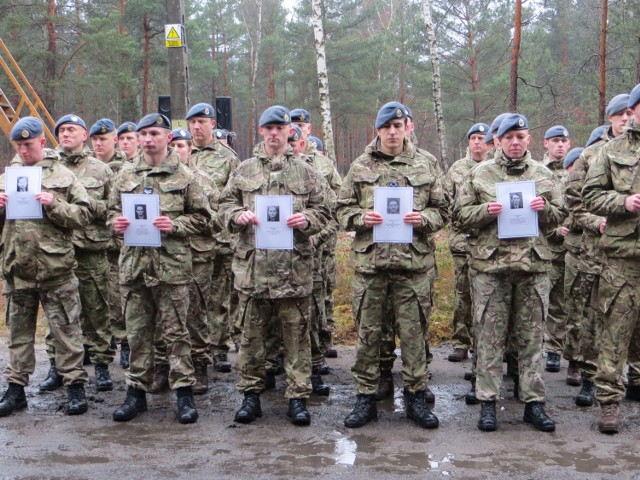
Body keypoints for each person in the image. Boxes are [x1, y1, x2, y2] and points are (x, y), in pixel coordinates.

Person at [218, 105, 332, 426]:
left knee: (296, 338)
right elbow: (224, 204)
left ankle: (297, 397)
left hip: (293, 271)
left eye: (279, 129)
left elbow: (325, 210)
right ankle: (250, 396)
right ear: (261, 132)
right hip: (254, 270)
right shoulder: (244, 170)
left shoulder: (307, 172)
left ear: (288, 132)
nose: (273, 133)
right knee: (252, 339)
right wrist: (236, 216)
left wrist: (306, 219)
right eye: (268, 128)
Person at [454, 113, 565, 432]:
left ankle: (533, 403)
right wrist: (484, 212)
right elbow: (459, 217)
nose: (515, 142)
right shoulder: (479, 174)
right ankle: (488, 403)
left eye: (520, 136)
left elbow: (561, 214)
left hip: (533, 267)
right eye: (508, 137)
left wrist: (545, 210)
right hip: (492, 268)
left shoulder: (544, 175)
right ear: (498, 141)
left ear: (529, 139)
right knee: (489, 337)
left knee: (531, 339)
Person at [338, 101, 446, 430]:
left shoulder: (426, 163)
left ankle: (415, 396)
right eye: (387, 127)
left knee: (414, 336)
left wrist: (423, 218)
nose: (393, 132)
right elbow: (341, 210)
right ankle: (366, 398)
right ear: (379, 130)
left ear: (407, 128)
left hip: (413, 266)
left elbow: (444, 210)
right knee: (369, 335)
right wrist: (361, 218)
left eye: (399, 126)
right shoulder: (360, 166)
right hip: (372, 266)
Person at [108, 113, 212, 424]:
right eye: (144, 134)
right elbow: (111, 211)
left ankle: (183, 394)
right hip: (135, 267)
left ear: (167, 137)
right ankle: (135, 394)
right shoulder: (125, 175)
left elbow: (205, 219)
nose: (149, 139)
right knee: (137, 334)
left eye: (155, 133)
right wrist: (115, 222)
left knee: (176, 333)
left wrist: (175, 224)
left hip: (171, 268)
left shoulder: (185, 176)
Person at [0, 117, 93, 417]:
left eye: (28, 144)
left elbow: (84, 215)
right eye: (18, 146)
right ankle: (16, 389)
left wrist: (54, 204)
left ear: (41, 142)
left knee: (66, 331)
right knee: (19, 333)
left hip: (56, 270)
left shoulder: (64, 176)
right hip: (18, 268)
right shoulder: (7, 178)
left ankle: (75, 387)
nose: (23, 150)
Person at [563, 94, 632, 410]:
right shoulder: (592, 155)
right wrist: (598, 222)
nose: (622, 120)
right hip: (596, 251)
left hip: (630, 253)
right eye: (617, 115)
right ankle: (591, 378)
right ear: (612, 118)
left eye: (625, 115)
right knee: (594, 319)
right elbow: (575, 202)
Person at [582, 84, 640, 434]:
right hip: (622, 259)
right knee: (614, 335)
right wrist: (624, 203)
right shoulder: (611, 150)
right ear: (632, 110)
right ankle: (608, 402)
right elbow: (590, 196)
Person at [43, 115, 115, 393]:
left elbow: (112, 207)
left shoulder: (100, 170)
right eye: (61, 130)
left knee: (96, 309)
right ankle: (56, 365)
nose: (65, 134)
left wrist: (84, 204)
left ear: (84, 135)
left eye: (71, 129)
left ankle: (101, 365)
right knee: (57, 313)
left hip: (91, 251)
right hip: (56, 251)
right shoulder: (48, 169)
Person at [187, 102, 240, 379]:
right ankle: (198, 349)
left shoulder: (227, 158)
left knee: (219, 297)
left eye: (202, 122)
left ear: (212, 125)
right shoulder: (181, 154)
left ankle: (219, 347)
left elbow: (235, 196)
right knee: (195, 297)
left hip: (220, 238)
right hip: (191, 240)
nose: (197, 126)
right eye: (193, 122)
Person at [443, 122, 490, 405]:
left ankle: (484, 352)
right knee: (463, 295)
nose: (477, 143)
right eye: (473, 138)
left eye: (482, 139)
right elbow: (447, 202)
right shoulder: (457, 169)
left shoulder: (497, 168)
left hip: (490, 246)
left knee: (485, 300)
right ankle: (461, 343)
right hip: (463, 243)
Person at [290, 108, 342, 361]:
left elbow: (336, 205)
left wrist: (317, 235)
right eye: (293, 123)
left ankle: (321, 341)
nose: (298, 127)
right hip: (282, 249)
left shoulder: (322, 164)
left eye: (302, 124)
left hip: (319, 242)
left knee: (321, 293)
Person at [540, 126, 572, 378]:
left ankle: (554, 348)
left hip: (571, 246)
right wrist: (553, 230)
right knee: (540, 299)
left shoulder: (577, 169)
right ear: (545, 144)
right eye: (555, 141)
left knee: (562, 300)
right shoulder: (539, 173)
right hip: (544, 246)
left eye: (563, 141)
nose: (559, 145)